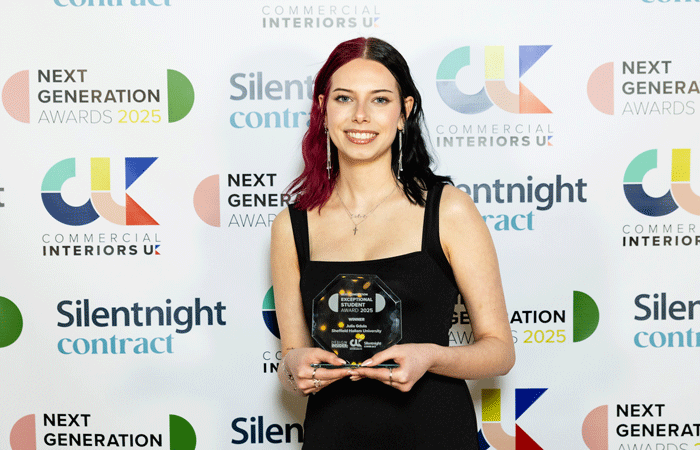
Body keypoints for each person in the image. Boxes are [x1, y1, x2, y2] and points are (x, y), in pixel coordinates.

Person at [270, 37, 515, 449]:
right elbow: (290, 361)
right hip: (333, 437)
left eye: (380, 100)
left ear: (404, 112)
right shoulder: (291, 225)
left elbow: (500, 352)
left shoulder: (448, 210)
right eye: (344, 98)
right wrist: (293, 367)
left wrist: (431, 356)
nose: (360, 115)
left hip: (435, 436)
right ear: (323, 110)